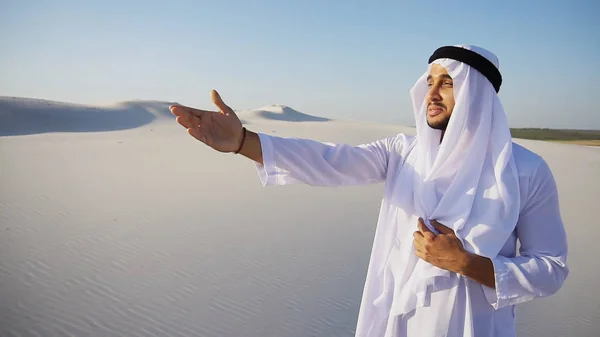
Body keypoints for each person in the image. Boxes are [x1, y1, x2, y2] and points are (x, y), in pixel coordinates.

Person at [169, 45, 569, 337]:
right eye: (429, 81)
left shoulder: (525, 171)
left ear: (477, 95)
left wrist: (467, 263)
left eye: (447, 83)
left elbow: (551, 268)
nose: (431, 93)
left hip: (473, 329)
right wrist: (243, 142)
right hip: (397, 322)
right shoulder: (402, 152)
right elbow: (330, 161)